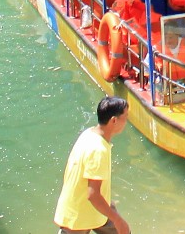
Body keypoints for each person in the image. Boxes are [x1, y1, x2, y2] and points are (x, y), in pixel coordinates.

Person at [54, 96, 131, 234]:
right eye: (125, 117)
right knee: (121, 226)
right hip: (79, 215)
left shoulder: (89, 134)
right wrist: (118, 220)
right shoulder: (98, 150)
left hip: (95, 210)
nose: (127, 121)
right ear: (114, 120)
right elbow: (93, 195)